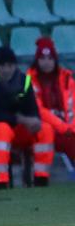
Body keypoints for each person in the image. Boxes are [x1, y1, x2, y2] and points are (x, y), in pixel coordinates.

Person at [0, 46, 54, 189]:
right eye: (2, 66)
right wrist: (20, 119)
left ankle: (41, 178)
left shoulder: (24, 81)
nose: (6, 70)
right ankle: (0, 180)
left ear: (15, 65)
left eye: (10, 65)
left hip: (17, 130)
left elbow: (32, 110)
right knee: (2, 128)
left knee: (45, 129)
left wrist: (35, 121)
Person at [26, 36, 75, 167]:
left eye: (50, 58)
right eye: (42, 58)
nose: (46, 62)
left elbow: (73, 106)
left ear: (55, 60)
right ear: (37, 60)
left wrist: (71, 127)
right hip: (45, 128)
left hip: (67, 128)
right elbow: (39, 110)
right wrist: (63, 127)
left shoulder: (67, 78)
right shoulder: (29, 80)